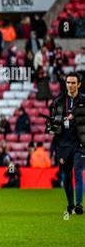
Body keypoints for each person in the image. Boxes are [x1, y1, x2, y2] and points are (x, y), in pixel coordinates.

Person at [50, 72, 85, 215]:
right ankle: (70, 205)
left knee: (78, 172)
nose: (70, 85)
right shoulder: (58, 102)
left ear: (79, 84)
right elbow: (54, 124)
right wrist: (51, 127)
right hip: (63, 144)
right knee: (65, 176)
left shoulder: (84, 101)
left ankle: (79, 205)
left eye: (73, 83)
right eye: (68, 83)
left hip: (80, 144)